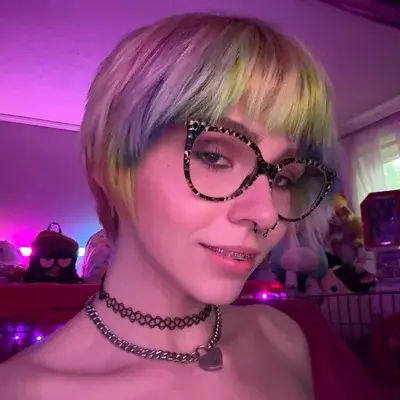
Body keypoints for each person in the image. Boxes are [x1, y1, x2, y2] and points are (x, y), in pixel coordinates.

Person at [1, 12, 376, 400]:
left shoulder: (292, 337)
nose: (265, 214)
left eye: (285, 179)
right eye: (214, 156)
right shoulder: (24, 391)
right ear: (111, 166)